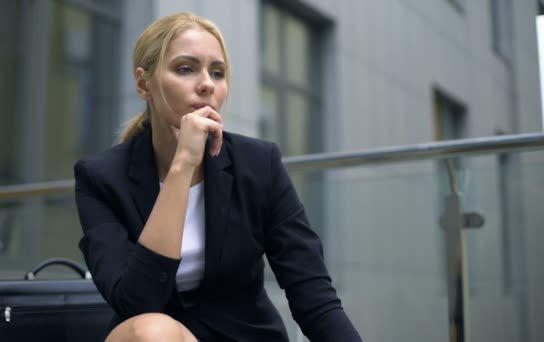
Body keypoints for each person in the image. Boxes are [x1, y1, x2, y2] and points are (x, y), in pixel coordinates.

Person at [74, 12, 361, 342]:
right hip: (158, 337)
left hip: (247, 337)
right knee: (151, 330)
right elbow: (137, 301)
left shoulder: (258, 164)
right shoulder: (101, 178)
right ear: (144, 84)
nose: (207, 83)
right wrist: (183, 166)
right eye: (185, 68)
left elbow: (312, 293)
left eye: (218, 72)